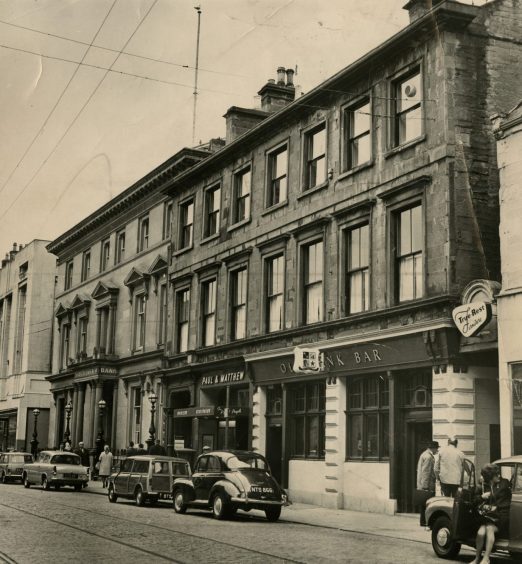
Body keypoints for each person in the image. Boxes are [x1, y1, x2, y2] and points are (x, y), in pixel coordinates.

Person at [472, 463, 511, 564]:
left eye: (498, 473)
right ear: (489, 478)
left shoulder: (504, 483)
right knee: (480, 533)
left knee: (489, 528)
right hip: (489, 517)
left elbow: (501, 501)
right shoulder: (483, 486)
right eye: (495, 475)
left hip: (500, 517)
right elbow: (475, 501)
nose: (499, 476)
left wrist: (490, 489)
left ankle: (486, 558)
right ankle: (477, 558)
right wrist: (482, 496)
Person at [416, 440, 439, 527]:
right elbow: (426, 472)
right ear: (433, 448)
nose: (437, 451)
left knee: (423, 504)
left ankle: (423, 521)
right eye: (436, 449)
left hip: (423, 483)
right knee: (427, 504)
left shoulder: (424, 454)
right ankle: (425, 521)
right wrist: (425, 487)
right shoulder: (429, 457)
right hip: (427, 484)